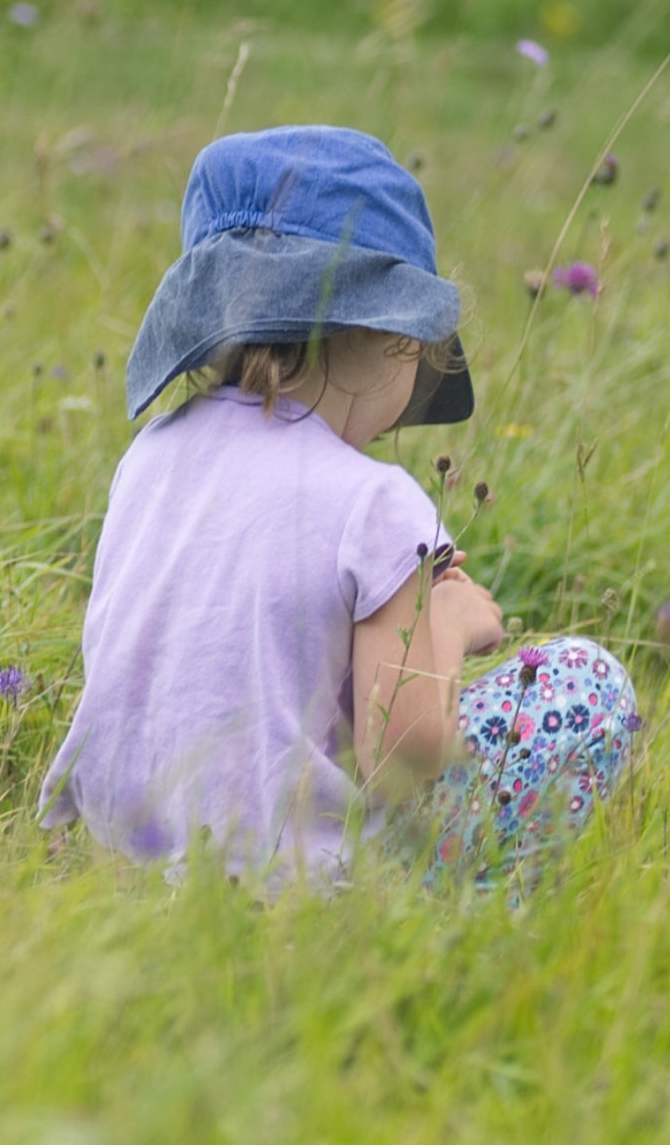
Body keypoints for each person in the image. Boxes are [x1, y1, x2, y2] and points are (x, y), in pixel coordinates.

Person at [38, 126, 638, 887]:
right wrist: (447, 627)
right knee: (585, 681)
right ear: (391, 337)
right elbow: (406, 752)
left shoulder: (149, 458)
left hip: (127, 866)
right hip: (296, 895)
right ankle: (474, 919)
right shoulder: (375, 503)